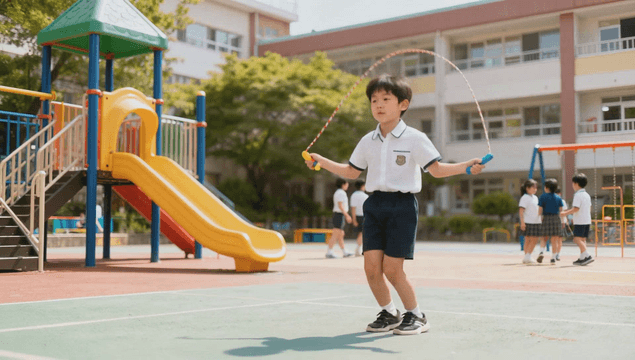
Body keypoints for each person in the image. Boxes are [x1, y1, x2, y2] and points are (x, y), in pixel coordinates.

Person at [304, 74, 485, 335]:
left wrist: (465, 167)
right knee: (370, 267)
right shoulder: (368, 140)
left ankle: (417, 315)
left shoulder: (415, 138)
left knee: (392, 268)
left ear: (403, 104)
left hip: (402, 206)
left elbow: (435, 169)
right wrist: (320, 162)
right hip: (374, 204)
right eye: (374, 100)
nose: (378, 104)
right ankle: (389, 312)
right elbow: (351, 171)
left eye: (386, 99)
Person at [561, 173, 594, 265]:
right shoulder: (587, 195)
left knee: (577, 239)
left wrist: (565, 213)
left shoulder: (577, 195)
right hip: (587, 220)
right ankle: (582, 257)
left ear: (576, 183)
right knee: (582, 239)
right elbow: (589, 208)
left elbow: (576, 208)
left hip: (580, 221)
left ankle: (587, 255)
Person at [326, 178, 353, 259]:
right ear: (343, 184)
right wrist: (347, 215)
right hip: (339, 215)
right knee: (336, 234)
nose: (347, 186)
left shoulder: (339, 192)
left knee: (341, 234)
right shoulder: (341, 193)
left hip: (339, 215)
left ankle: (344, 251)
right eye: (347, 184)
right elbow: (340, 205)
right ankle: (329, 252)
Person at [538, 179, 563, 264]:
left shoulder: (542, 197)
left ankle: (541, 252)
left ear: (546, 188)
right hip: (556, 218)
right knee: (554, 239)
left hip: (546, 218)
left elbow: (540, 210)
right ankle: (553, 258)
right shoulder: (558, 197)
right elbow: (561, 210)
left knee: (544, 237)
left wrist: (539, 216)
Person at [519, 179, 541, 264]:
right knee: (532, 240)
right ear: (527, 188)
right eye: (533, 187)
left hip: (536, 221)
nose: (535, 189)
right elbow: (521, 210)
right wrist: (522, 222)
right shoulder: (525, 197)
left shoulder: (535, 197)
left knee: (529, 240)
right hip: (529, 222)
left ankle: (527, 257)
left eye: (536, 187)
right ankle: (527, 256)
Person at [350, 180, 369, 257]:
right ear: (362, 186)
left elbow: (353, 208)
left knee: (360, 233)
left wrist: (354, 219)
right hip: (364, 216)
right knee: (362, 233)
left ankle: (359, 248)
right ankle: (358, 248)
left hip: (357, 216)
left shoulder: (353, 195)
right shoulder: (365, 196)